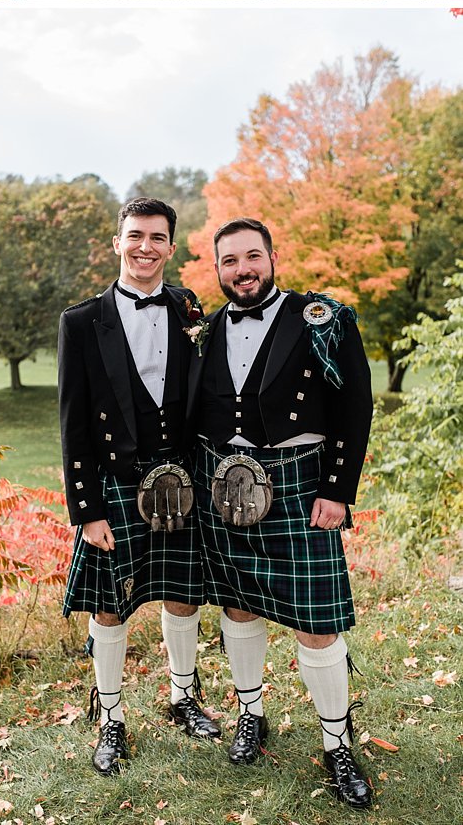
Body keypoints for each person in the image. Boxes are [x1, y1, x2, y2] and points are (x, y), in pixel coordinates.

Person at [187, 217, 375, 808]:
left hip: (299, 484)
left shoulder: (321, 318)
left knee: (315, 622)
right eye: (229, 261)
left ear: (272, 257)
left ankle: (337, 742)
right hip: (227, 487)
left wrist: (338, 489)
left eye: (252, 257)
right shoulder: (207, 329)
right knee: (239, 606)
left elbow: (355, 405)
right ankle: (252, 714)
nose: (242, 270)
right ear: (217, 269)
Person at [58, 198, 218, 775]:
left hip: (181, 477)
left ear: (171, 247)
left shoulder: (188, 307)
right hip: (117, 481)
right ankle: (112, 718)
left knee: (184, 591)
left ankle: (182, 698)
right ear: (117, 242)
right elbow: (73, 422)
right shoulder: (80, 321)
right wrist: (87, 509)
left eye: (157, 237)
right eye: (135, 236)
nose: (145, 247)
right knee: (111, 605)